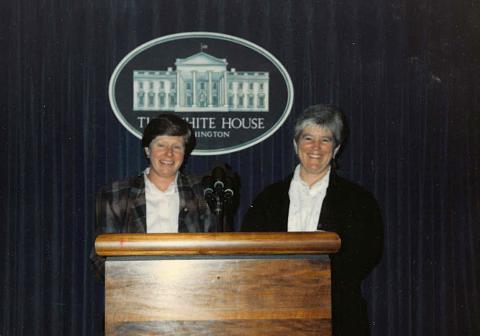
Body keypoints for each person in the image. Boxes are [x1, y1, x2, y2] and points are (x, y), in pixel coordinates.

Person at [241, 104, 383, 336]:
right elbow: (249, 252)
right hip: (276, 312)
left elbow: (367, 254)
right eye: (308, 138)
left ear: (336, 148)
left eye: (325, 140)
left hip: (338, 315)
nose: (316, 147)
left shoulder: (359, 200)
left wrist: (314, 281)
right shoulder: (268, 198)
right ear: (296, 144)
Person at [91, 113, 215, 278]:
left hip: (192, 290)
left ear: (185, 153)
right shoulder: (115, 195)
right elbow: (101, 257)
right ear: (147, 150)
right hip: (134, 293)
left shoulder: (203, 192)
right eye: (161, 145)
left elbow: (216, 252)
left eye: (177, 146)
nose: (169, 154)